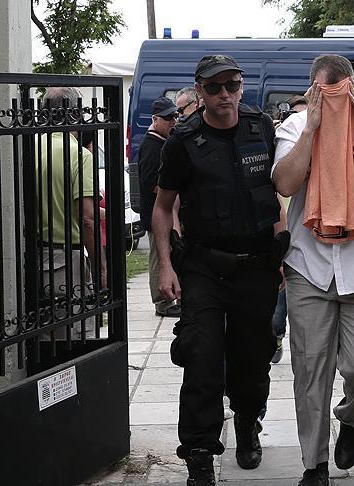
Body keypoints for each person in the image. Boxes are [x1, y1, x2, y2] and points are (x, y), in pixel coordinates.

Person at [152, 54, 286, 486]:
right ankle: (199, 453)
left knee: (253, 358)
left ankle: (247, 421)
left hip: (256, 265)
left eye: (232, 85)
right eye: (214, 87)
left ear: (242, 86)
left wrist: (283, 251)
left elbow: (276, 194)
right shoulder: (183, 140)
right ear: (200, 91)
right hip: (204, 267)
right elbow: (163, 205)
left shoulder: (261, 128)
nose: (224, 94)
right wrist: (165, 266)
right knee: (201, 356)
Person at [272, 54, 354, 486]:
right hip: (309, 267)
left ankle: (351, 415)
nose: (334, 102)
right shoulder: (293, 127)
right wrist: (311, 129)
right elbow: (286, 183)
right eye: (325, 94)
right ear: (311, 92)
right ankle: (315, 465)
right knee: (310, 371)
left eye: (341, 93)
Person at [36, 87, 106, 333]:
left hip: (32, 259)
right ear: (76, 114)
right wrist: (101, 268)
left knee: (44, 338)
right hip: (66, 263)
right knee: (76, 336)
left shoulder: (27, 146)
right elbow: (86, 219)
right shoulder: (79, 155)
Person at [270, 95, 307, 364]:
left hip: (306, 236)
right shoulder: (282, 142)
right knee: (278, 303)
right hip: (284, 232)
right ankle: (276, 335)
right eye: (294, 115)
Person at [138, 96, 179, 317]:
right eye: (168, 117)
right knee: (159, 257)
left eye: (175, 116)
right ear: (155, 119)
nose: (173, 121)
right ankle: (162, 303)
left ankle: (171, 297)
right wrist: (172, 190)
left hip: (165, 212)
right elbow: (149, 181)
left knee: (169, 253)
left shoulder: (162, 142)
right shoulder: (152, 145)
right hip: (155, 213)